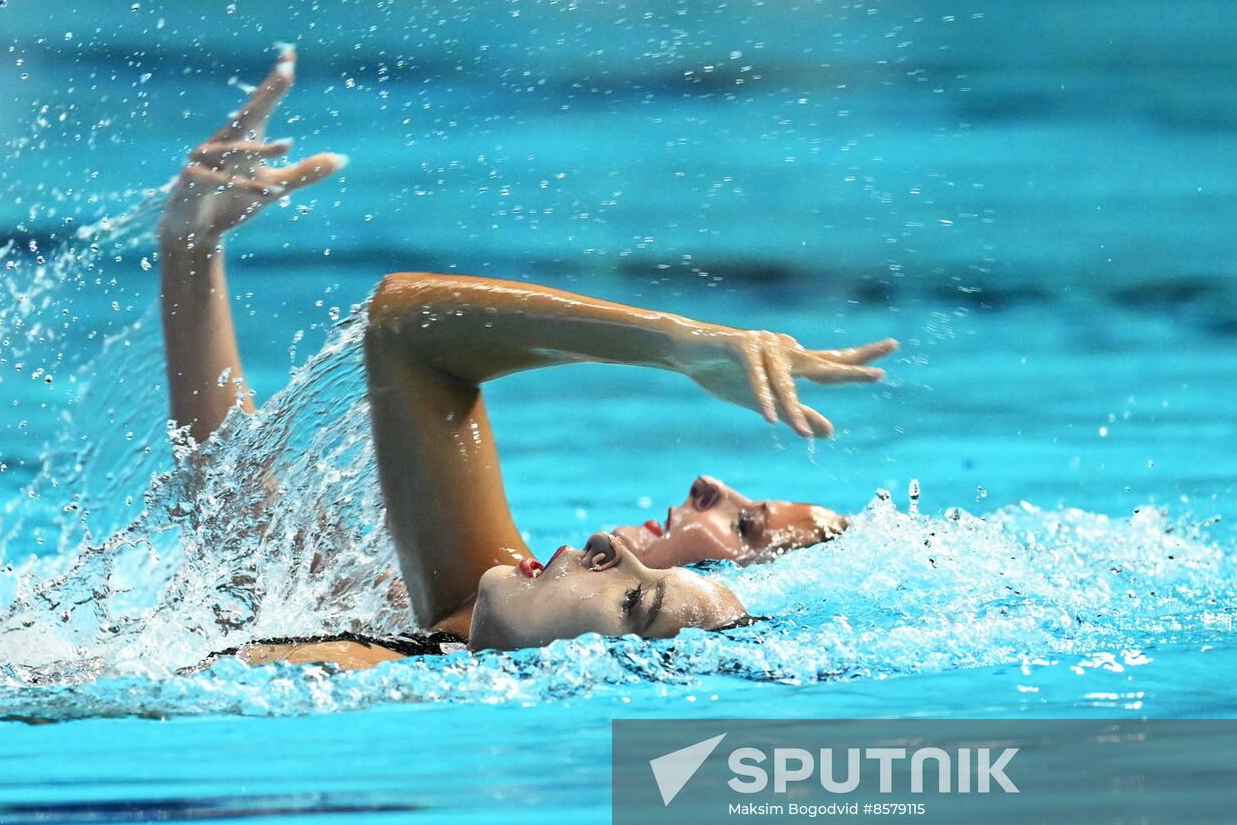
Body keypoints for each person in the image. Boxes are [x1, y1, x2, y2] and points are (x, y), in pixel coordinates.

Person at [161, 49, 896, 670]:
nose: (710, 487)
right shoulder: (466, 615)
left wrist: (679, 350)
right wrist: (188, 251)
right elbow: (241, 503)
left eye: (745, 529)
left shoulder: (438, 656)